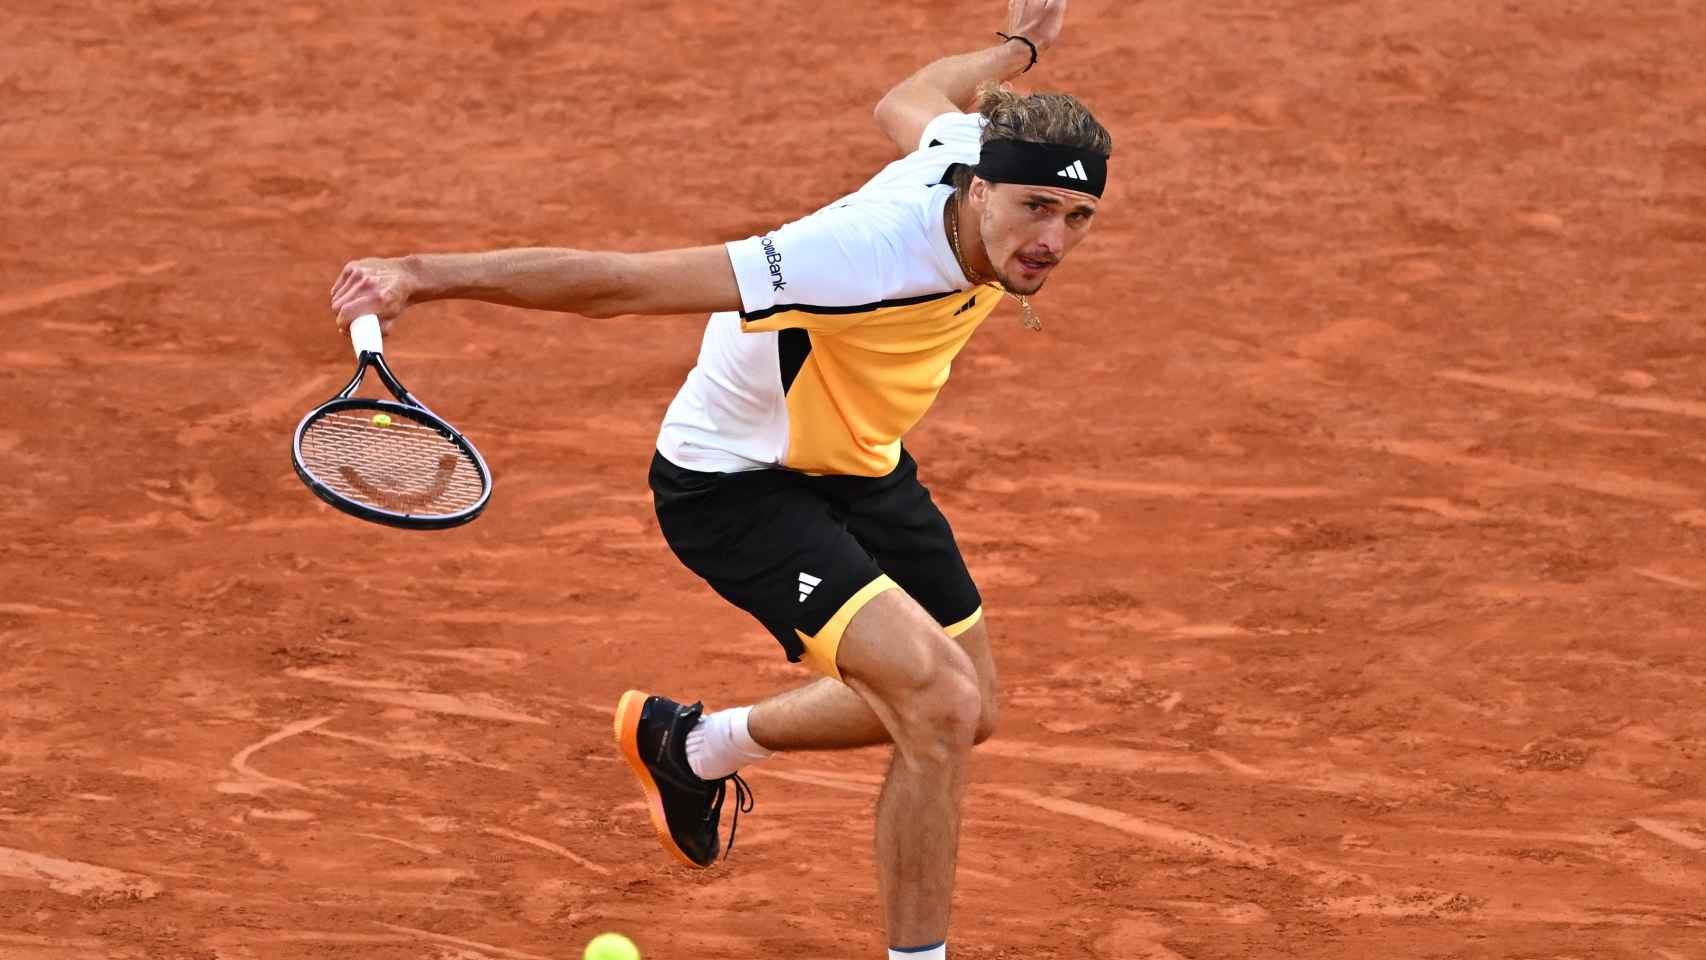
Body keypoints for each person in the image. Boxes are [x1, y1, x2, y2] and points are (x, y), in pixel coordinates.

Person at [328, 2, 1109, 955]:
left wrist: (1017, 50)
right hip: (737, 483)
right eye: (1035, 207)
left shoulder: (963, 151)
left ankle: (692, 748)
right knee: (939, 705)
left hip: (860, 460)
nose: (1052, 241)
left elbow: (908, 98)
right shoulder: (857, 255)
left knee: (971, 705)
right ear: (981, 189)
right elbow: (621, 284)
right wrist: (419, 272)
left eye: (1077, 217)